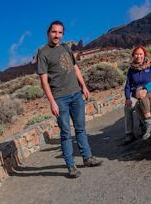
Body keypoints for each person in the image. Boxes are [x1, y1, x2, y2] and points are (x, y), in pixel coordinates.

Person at [36, 20, 103, 178]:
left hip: (76, 94)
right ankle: (71, 165)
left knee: (80, 128)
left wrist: (84, 86)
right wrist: (52, 102)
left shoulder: (66, 47)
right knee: (65, 132)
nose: (57, 35)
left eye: (60, 33)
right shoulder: (43, 53)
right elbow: (44, 81)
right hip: (60, 99)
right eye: (54, 32)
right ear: (48, 33)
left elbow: (75, 68)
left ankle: (87, 158)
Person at [122, 45, 151, 144]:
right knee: (127, 108)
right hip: (135, 95)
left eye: (140, 54)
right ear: (133, 55)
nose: (138, 56)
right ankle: (129, 134)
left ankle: (146, 128)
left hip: (148, 93)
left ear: (144, 55)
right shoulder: (131, 69)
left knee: (141, 104)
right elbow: (127, 86)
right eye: (136, 54)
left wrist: (149, 90)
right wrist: (128, 98)